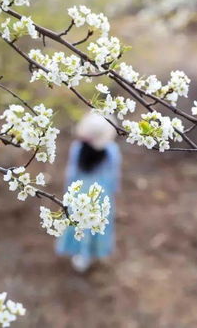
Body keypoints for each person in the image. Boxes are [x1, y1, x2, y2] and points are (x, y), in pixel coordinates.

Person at [56, 113, 121, 273]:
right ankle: (94, 251)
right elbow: (114, 174)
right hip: (101, 193)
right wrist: (114, 190)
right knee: (97, 224)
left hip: (80, 192)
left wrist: (68, 192)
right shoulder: (111, 150)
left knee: (78, 223)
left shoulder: (77, 148)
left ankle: (80, 255)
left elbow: (71, 173)